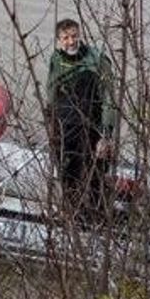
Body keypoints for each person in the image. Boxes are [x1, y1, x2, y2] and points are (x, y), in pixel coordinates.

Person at [46, 18, 117, 223]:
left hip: (91, 127)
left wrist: (106, 135)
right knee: (68, 172)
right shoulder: (56, 60)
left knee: (95, 174)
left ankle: (99, 217)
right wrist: (51, 124)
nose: (71, 41)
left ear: (80, 35)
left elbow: (109, 98)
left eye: (74, 36)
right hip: (65, 126)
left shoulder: (97, 60)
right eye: (66, 38)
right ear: (59, 40)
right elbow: (51, 92)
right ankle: (72, 213)